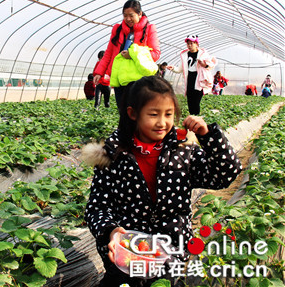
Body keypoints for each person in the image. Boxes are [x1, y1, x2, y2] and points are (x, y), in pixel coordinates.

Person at [81, 75, 241, 286]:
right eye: (154, 114)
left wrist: (209, 136)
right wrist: (111, 231)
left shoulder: (184, 153)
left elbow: (225, 174)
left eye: (169, 114)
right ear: (133, 114)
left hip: (171, 250)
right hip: (125, 254)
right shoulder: (113, 156)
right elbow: (97, 206)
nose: (162, 122)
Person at [93, 0, 160, 109]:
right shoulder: (118, 29)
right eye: (125, 15)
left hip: (140, 81)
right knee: (123, 112)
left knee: (138, 113)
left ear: (140, 14)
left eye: (131, 15)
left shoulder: (149, 29)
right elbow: (109, 53)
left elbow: (155, 54)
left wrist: (133, 54)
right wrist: (99, 72)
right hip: (120, 79)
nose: (128, 19)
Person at [168, 35, 216, 115]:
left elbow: (211, 66)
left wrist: (204, 65)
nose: (189, 45)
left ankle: (196, 119)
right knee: (190, 102)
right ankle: (192, 118)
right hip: (189, 80)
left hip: (198, 81)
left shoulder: (203, 54)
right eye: (188, 44)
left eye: (192, 43)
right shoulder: (185, 55)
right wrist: (173, 68)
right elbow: (180, 69)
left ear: (197, 44)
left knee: (196, 102)